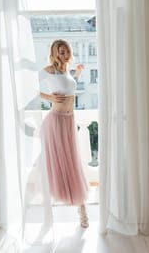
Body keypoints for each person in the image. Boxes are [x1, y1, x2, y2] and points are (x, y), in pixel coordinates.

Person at [39, 39, 89, 228]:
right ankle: (52, 211)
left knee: (73, 163)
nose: (65, 55)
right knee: (62, 166)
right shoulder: (49, 70)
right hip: (56, 122)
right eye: (61, 52)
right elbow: (27, 86)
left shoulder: (66, 70)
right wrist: (48, 97)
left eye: (67, 51)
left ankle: (81, 208)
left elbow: (67, 86)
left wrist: (78, 73)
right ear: (54, 53)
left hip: (69, 121)